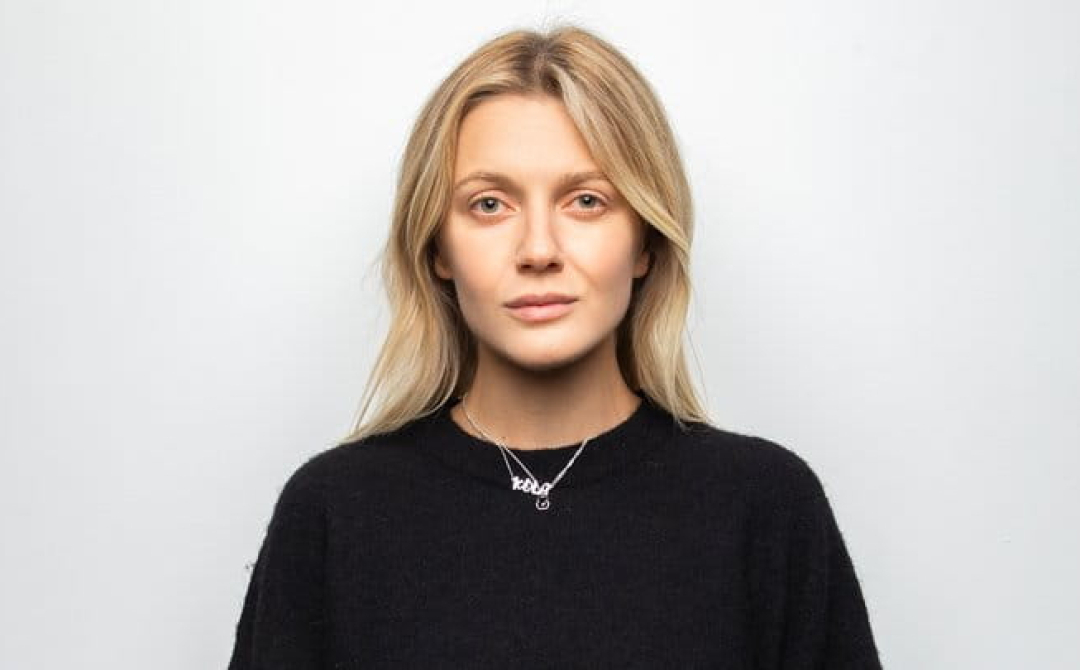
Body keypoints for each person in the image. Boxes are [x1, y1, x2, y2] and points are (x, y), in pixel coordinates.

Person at [227, 24, 884, 669]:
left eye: (586, 200)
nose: (538, 250)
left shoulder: (764, 506)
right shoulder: (335, 512)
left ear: (646, 242)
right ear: (437, 248)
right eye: (489, 204)